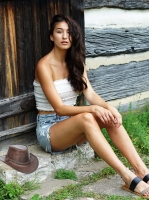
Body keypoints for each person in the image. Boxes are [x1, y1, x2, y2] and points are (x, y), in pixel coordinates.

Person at [33, 14, 149, 198]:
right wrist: (93, 109)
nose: (65, 37)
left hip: (74, 127)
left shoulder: (76, 62)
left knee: (108, 116)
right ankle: (127, 177)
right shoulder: (44, 66)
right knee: (89, 116)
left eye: (69, 32)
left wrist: (109, 108)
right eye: (59, 32)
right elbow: (60, 109)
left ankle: (142, 171)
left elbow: (91, 94)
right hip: (50, 131)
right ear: (51, 36)